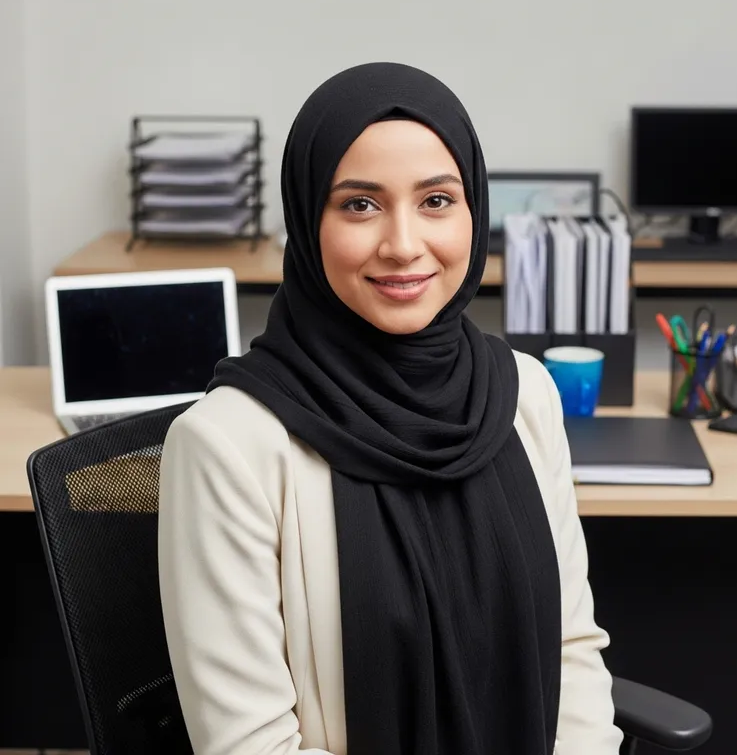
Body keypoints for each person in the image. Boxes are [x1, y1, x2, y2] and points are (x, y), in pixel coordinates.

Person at [158, 62, 623, 755]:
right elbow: (247, 746)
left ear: (476, 211)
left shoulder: (523, 393)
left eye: (436, 201)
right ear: (306, 219)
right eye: (359, 205)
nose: (404, 244)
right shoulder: (229, 445)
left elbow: (572, 649)